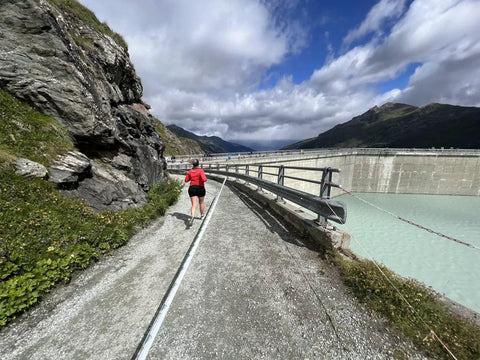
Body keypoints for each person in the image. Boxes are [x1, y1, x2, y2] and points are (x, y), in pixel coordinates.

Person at [184, 159, 207, 225]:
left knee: (194, 204)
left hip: (192, 188)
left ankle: (192, 216)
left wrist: (190, 176)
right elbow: (204, 179)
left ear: (192, 164)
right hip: (200, 188)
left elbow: (186, 180)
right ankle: (202, 215)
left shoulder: (190, 171)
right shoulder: (201, 171)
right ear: (198, 164)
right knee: (201, 202)